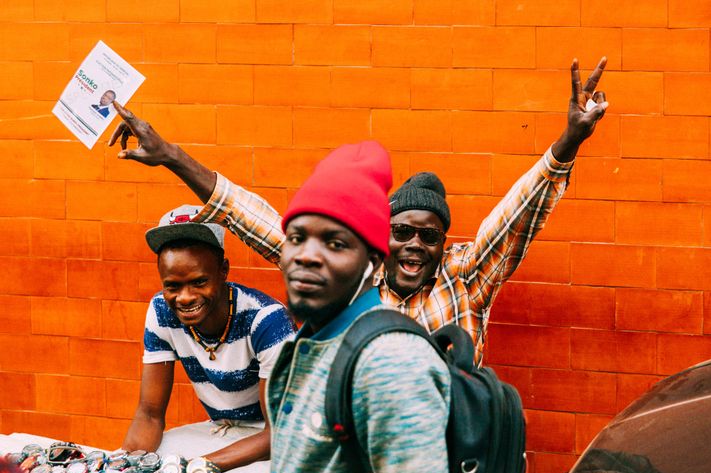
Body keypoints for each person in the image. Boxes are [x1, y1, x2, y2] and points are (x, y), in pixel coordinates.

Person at [110, 57, 608, 364]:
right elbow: (252, 218)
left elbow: (516, 217)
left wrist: (569, 141)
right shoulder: (355, 281)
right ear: (379, 237)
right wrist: (173, 157)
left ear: (443, 245)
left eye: (429, 237)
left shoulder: (467, 277)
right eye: (403, 232)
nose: (414, 245)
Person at [268, 140, 451, 473]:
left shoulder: (391, 362)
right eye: (296, 238)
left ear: (373, 262)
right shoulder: (312, 339)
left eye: (335, 243)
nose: (306, 255)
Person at [122, 205, 296, 473]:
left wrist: (197, 466)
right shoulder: (161, 310)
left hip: (274, 443)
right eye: (172, 286)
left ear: (223, 270)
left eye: (199, 281)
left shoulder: (267, 321)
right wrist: (129, 468)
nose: (185, 297)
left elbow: (279, 433)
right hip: (217, 432)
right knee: (142, 464)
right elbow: (150, 414)